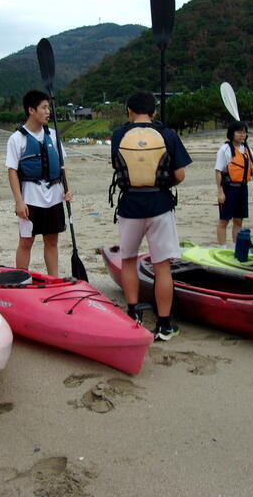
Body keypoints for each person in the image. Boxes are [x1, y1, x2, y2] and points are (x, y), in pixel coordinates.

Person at [110, 91, 192, 341]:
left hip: (130, 206)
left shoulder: (119, 134)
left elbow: (117, 166)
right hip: (160, 205)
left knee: (128, 260)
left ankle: (133, 314)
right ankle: (164, 325)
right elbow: (179, 175)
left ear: (129, 111)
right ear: (153, 112)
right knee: (162, 266)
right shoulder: (168, 134)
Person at [5, 90, 73, 276]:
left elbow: (61, 166)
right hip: (30, 197)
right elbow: (12, 171)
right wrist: (19, 202)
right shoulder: (17, 138)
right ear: (31, 110)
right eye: (44, 107)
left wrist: (68, 189)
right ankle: (21, 280)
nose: (48, 111)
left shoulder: (53, 135)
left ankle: (53, 280)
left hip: (54, 196)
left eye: (48, 107)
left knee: (51, 241)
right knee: (26, 242)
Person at [214, 121, 253, 248]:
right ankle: (223, 248)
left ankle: (236, 247)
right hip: (228, 188)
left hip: (242, 188)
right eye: (239, 132)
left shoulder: (247, 149)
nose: (242, 135)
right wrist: (220, 192)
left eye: (244, 132)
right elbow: (218, 171)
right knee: (224, 220)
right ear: (232, 134)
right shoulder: (225, 149)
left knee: (238, 220)